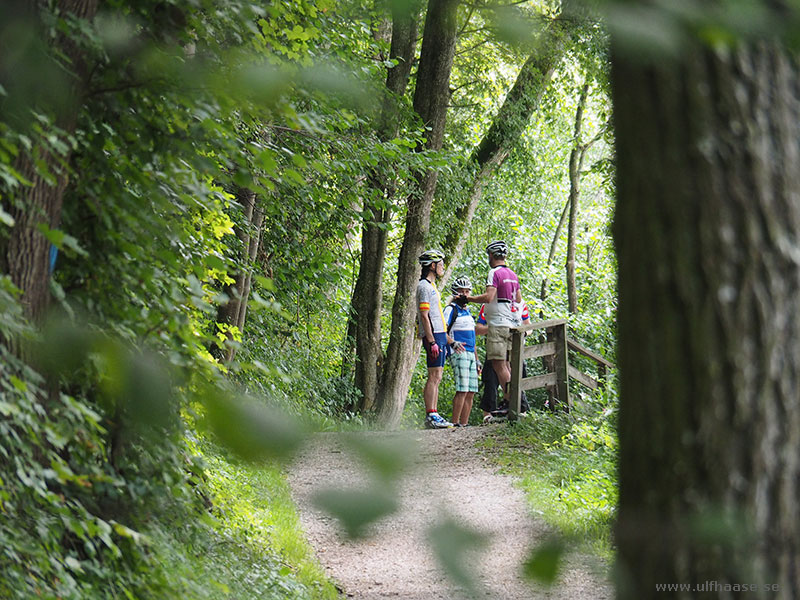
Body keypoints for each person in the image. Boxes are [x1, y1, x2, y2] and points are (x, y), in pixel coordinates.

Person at [465, 240, 522, 410]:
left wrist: (469, 299)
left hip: (498, 324)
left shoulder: (494, 273)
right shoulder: (512, 275)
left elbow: (489, 297)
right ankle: (509, 399)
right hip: (513, 323)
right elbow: (518, 299)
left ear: (491, 255)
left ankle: (512, 400)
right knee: (507, 364)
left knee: (498, 364)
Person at [416, 249, 454, 429]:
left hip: (439, 334)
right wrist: (431, 340)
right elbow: (424, 315)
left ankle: (435, 413)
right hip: (433, 336)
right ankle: (430, 414)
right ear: (432, 265)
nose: (442, 267)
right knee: (434, 375)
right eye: (440, 264)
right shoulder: (423, 286)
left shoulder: (431, 287)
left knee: (437, 375)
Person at [475, 301, 531, 423]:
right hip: (496, 347)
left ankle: (521, 411)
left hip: (516, 350)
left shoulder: (520, 304)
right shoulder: (488, 305)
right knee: (490, 381)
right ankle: (488, 416)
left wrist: (523, 332)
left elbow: (528, 325)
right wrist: (496, 328)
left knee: (518, 378)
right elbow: (478, 328)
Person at [442, 276, 480, 427]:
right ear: (455, 292)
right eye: (461, 291)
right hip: (459, 352)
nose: (464, 294)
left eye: (466, 291)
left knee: (471, 391)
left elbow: (473, 337)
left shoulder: (469, 312)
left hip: (471, 352)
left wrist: (477, 359)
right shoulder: (451, 310)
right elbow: (441, 330)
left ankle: (464, 424)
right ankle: (455, 422)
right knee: (462, 389)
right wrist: (453, 343)